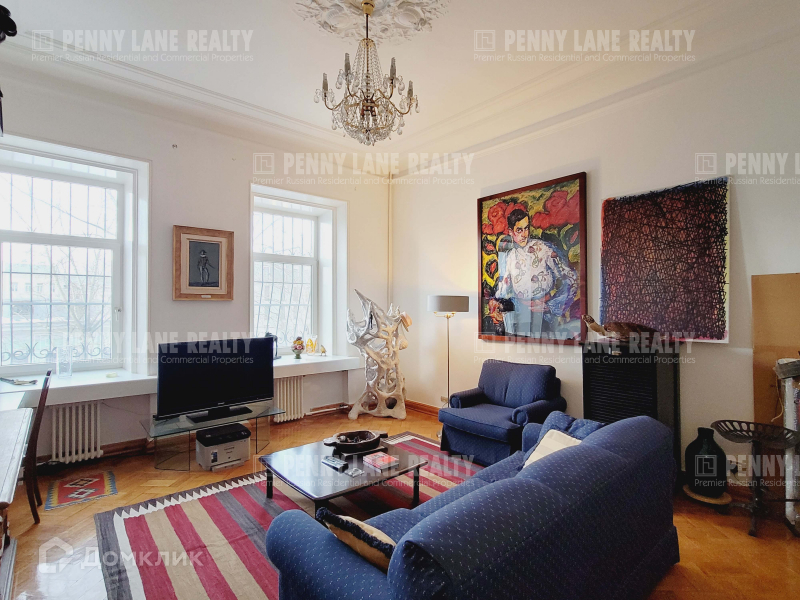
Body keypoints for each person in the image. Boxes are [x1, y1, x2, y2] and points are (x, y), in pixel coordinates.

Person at [495, 208, 577, 337]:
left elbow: (571, 278)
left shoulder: (543, 249)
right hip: (520, 313)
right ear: (510, 232)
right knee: (520, 345)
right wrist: (496, 303)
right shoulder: (510, 257)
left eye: (526, 228)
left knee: (546, 345)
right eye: (519, 230)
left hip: (544, 313)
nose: (524, 234)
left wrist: (551, 305)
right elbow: (504, 288)